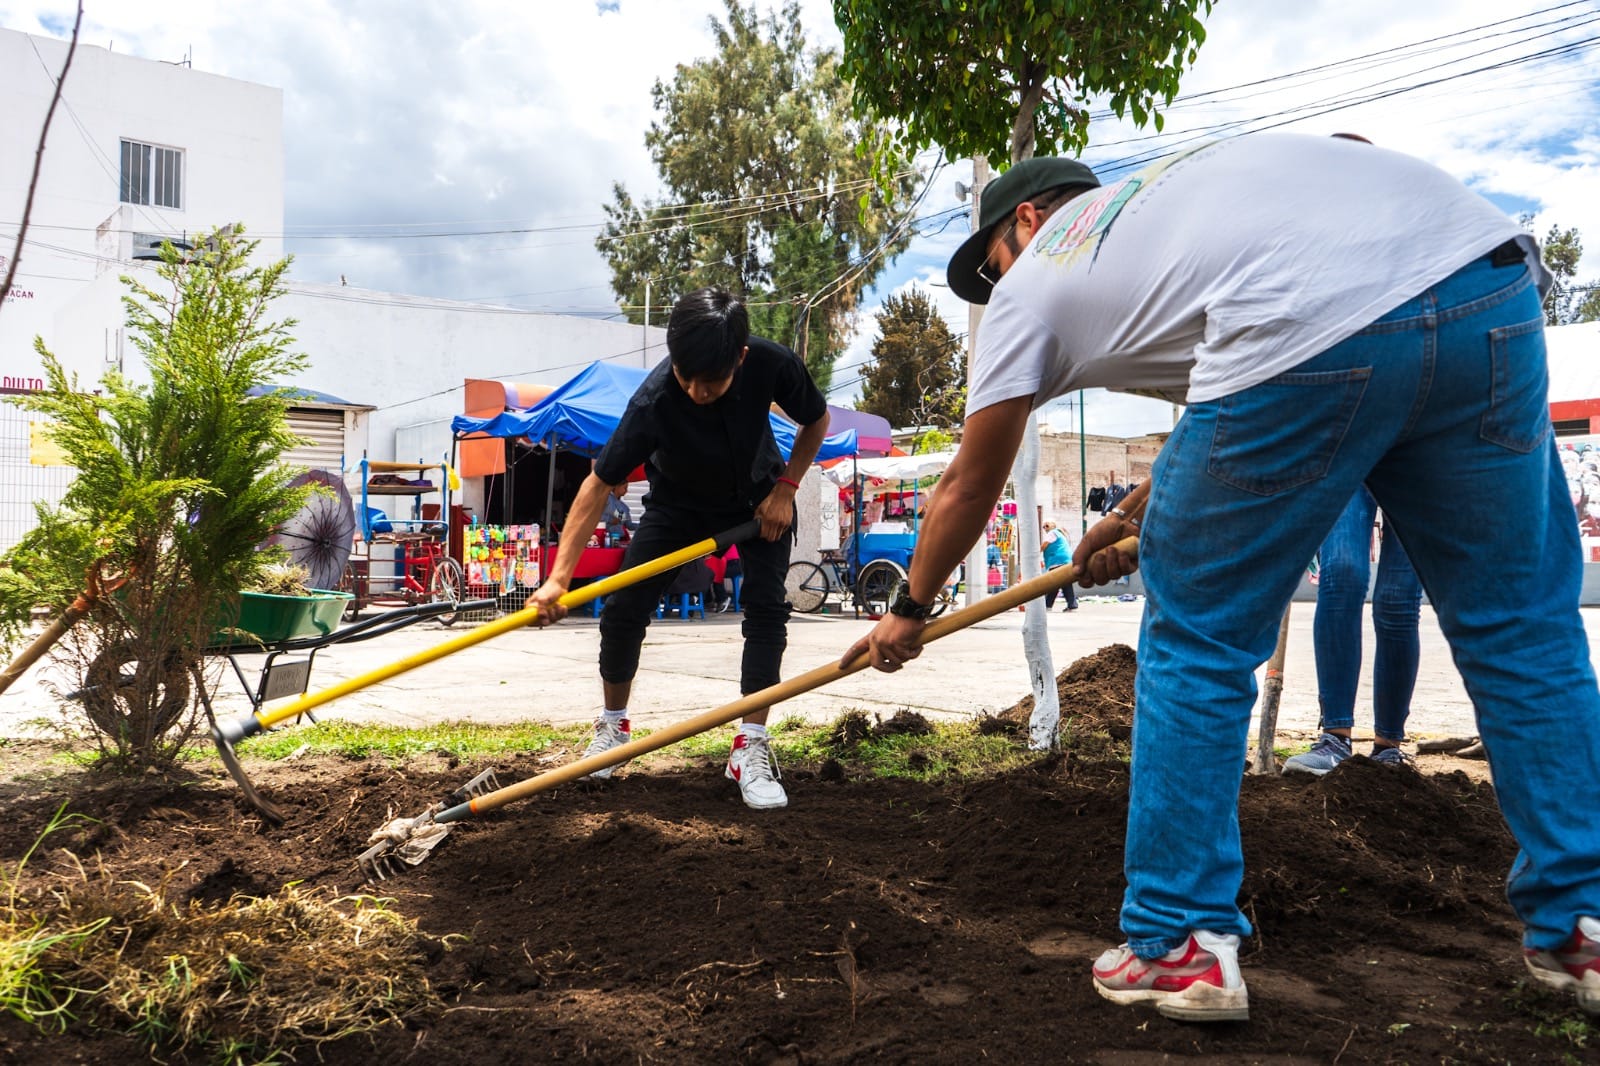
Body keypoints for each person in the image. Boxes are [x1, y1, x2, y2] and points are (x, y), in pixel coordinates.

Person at [841, 137, 1600, 1022]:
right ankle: (1582, 922)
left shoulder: (1040, 269)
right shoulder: (1177, 207)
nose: (996, 288)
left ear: (1025, 219)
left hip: (1313, 318)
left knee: (1197, 639)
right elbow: (1231, 411)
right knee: (1522, 628)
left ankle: (1177, 942)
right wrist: (1131, 519)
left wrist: (911, 609)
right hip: (1485, 282)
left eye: (991, 265)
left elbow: (966, 485)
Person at [531, 288, 829, 810]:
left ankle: (750, 746)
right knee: (623, 609)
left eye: (709, 381)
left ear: (739, 358)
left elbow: (816, 419)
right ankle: (613, 730)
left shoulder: (772, 364)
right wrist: (559, 578)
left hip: (759, 501)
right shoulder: (653, 401)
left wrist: (786, 488)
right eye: (684, 375)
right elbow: (597, 485)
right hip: (678, 508)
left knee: (765, 612)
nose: (695, 390)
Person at [1283, 487, 1423, 774]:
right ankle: (1334, 739)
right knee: (1342, 575)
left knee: (1398, 599)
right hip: (1351, 451)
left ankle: (1388, 749)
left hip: (1423, 457)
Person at [1041, 519, 1078, 611]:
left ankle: (1048, 605)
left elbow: (1045, 544)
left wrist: (1035, 553)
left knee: (1054, 584)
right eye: (1044, 527)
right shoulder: (1059, 534)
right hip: (1066, 561)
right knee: (1064, 583)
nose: (1045, 528)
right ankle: (1071, 604)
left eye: (1047, 526)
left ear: (1053, 526)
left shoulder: (1052, 533)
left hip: (1057, 561)